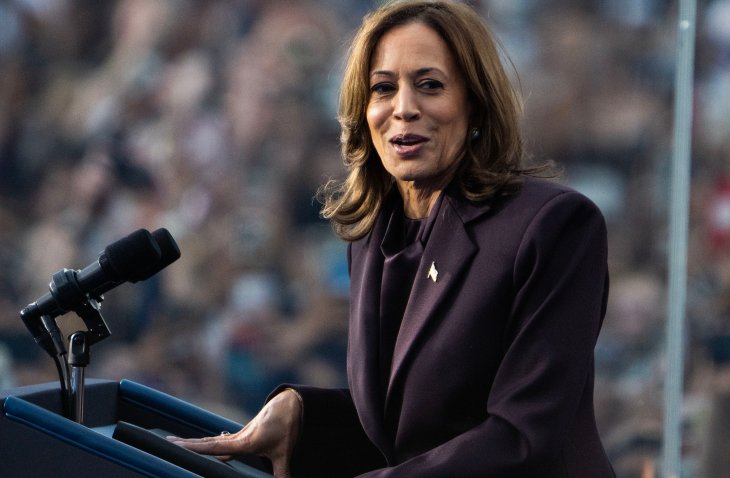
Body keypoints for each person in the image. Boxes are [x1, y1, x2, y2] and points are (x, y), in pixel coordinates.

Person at [169, 1, 615, 476]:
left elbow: (524, 437)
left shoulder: (553, 225)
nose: (404, 109)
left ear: (477, 102)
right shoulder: (373, 236)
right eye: (384, 88)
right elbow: (411, 429)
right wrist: (305, 416)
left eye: (430, 86)